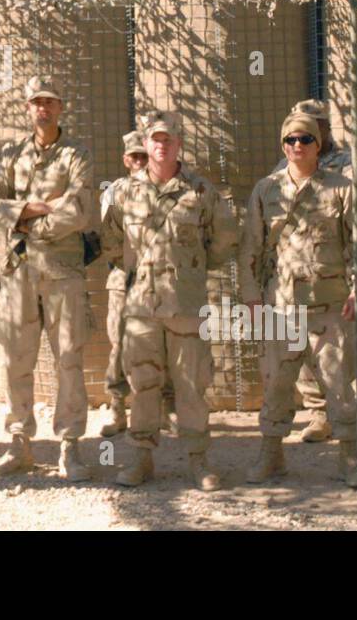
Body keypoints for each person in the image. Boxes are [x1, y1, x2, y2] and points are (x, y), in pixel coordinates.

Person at [101, 112, 238, 489]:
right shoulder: (125, 191)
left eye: (169, 139)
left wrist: (189, 271)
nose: (161, 144)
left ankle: (198, 460)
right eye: (155, 138)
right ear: (146, 144)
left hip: (186, 305)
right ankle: (141, 459)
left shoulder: (201, 191)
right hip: (141, 306)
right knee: (143, 383)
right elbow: (111, 239)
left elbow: (224, 241)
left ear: (179, 144)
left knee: (191, 384)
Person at [240, 112, 357, 487]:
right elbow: (251, 246)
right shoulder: (266, 190)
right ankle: (271, 454)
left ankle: (349, 458)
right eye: (290, 140)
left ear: (318, 145)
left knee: (338, 381)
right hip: (283, 305)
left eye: (306, 140)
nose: (297, 146)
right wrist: (251, 298)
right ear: (283, 145)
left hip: (330, 303)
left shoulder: (342, 188)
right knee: (277, 380)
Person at [0, 76, 93, 481]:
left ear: (60, 108)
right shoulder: (12, 153)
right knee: (16, 359)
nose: (42, 108)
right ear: (28, 109)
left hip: (63, 271)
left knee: (68, 358)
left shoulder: (76, 153)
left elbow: (79, 208)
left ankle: (70, 446)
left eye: (49, 102)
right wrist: (31, 207)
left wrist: (28, 224)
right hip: (20, 270)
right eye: (35, 103)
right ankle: (19, 444)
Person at [275, 99, 357, 453]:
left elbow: (354, 212)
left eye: (315, 126)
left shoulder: (347, 162)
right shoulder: (285, 163)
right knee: (309, 350)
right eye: (299, 127)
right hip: (304, 278)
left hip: (343, 270)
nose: (306, 135)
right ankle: (319, 413)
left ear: (326, 128)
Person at [98, 129, 149, 438]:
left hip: (158, 282)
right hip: (122, 279)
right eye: (134, 156)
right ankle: (117, 409)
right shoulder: (114, 192)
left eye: (144, 155)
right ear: (125, 159)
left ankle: (159, 410)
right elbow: (108, 237)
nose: (139, 161)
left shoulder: (163, 187)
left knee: (158, 344)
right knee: (118, 344)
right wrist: (127, 265)